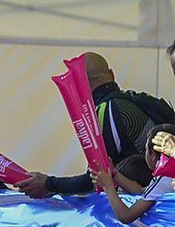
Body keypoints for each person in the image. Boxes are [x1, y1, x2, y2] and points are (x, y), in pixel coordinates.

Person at [15, 52, 174, 197]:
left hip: (145, 201)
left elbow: (98, 177)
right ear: (111, 74)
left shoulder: (108, 109)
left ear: (78, 84)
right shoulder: (129, 100)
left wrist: (48, 183)